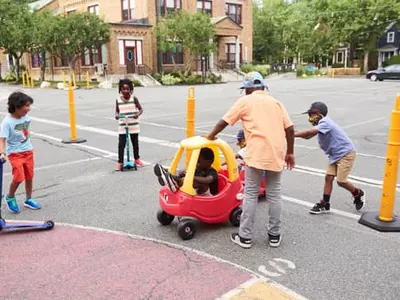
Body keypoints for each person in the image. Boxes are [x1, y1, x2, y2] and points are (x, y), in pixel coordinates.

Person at [205, 71, 295, 249]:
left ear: (248, 88)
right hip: (276, 152)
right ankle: (274, 236)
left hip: (257, 153)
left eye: (245, 89)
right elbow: (290, 129)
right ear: (262, 86)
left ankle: (245, 236)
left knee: (251, 193)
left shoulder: (245, 101)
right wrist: (290, 153)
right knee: (274, 194)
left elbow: (224, 121)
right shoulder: (276, 102)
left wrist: (210, 137)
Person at [295, 102, 365, 214]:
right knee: (328, 177)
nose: (310, 117)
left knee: (341, 181)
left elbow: (308, 132)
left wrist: (291, 134)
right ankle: (325, 204)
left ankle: (358, 193)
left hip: (346, 154)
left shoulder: (325, 122)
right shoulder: (321, 125)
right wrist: (292, 133)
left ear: (319, 114)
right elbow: (308, 136)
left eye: (312, 114)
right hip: (334, 155)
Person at [0, 92, 40, 213]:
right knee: (18, 177)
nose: (29, 108)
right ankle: (10, 196)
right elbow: (2, 139)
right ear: (17, 106)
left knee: (29, 176)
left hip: (28, 151)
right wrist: (2, 153)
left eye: (29, 105)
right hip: (15, 153)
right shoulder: (7, 122)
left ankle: (28, 199)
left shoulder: (26, 117)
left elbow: (24, 133)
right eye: (26, 106)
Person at [153, 147, 218, 196]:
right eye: (196, 160)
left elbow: (207, 180)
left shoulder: (212, 172)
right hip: (197, 193)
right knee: (183, 173)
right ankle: (170, 177)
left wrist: (191, 176)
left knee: (196, 180)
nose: (196, 163)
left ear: (208, 162)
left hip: (209, 197)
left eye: (199, 161)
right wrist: (184, 174)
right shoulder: (198, 169)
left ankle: (174, 182)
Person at [115, 79, 144, 170]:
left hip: (133, 124)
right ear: (120, 89)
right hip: (123, 125)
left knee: (135, 143)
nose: (126, 91)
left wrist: (137, 114)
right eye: (123, 89)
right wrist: (116, 115)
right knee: (121, 144)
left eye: (128, 89)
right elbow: (117, 111)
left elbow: (141, 109)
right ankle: (120, 162)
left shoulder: (134, 98)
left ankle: (136, 158)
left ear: (131, 89)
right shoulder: (118, 100)